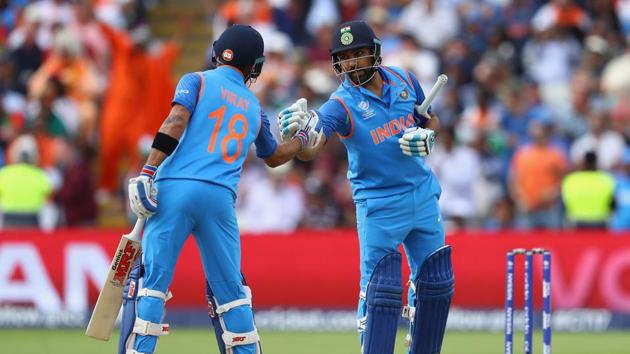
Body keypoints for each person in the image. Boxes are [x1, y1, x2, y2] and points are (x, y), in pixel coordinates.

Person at [122, 24, 315, 354]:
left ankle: (141, 349)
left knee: (153, 285)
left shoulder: (196, 80)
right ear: (254, 65)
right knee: (231, 292)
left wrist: (148, 170)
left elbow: (175, 121)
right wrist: (300, 140)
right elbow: (273, 157)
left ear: (218, 53)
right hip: (220, 201)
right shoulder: (254, 107)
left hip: (175, 191)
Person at [278, 21, 454, 354]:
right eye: (345, 58)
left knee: (436, 283)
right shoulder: (340, 103)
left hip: (422, 193)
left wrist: (429, 135)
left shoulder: (403, 79)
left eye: (359, 54)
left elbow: (430, 118)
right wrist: (300, 137)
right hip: (380, 205)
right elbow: (315, 143)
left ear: (374, 52)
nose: (352, 63)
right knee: (382, 292)